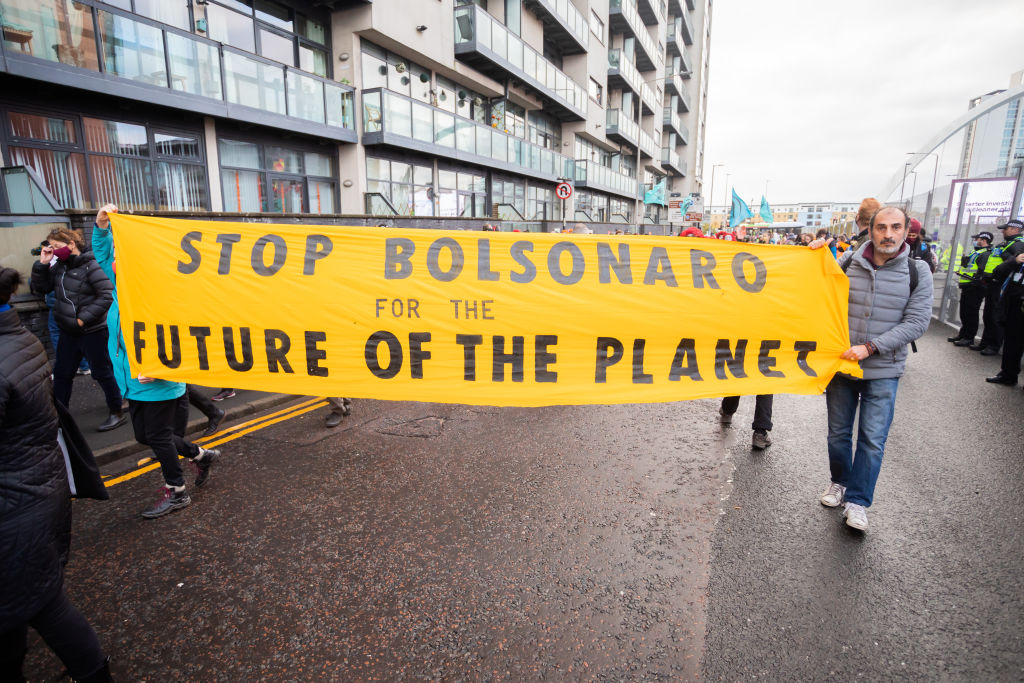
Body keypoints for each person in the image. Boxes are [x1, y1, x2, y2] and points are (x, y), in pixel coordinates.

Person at [0, 268, 111, 682]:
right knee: (33, 605)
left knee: (42, 606)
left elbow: (100, 287)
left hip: (16, 505)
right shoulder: (20, 338)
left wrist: (83, 319)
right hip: (37, 490)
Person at [91, 204, 220, 518]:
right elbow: (104, 255)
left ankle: (176, 492)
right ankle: (200, 456)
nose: (119, 261)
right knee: (143, 436)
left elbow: (181, 334)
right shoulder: (124, 285)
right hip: (132, 379)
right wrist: (102, 226)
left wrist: (161, 366)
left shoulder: (161, 290)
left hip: (157, 378)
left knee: (159, 437)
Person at [810, 206, 932, 531]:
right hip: (842, 366)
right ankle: (839, 482)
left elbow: (917, 322)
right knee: (838, 434)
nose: (888, 234)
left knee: (871, 439)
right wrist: (813, 257)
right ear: (871, 230)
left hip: (883, 370)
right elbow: (818, 290)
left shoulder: (918, 272)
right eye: (881, 227)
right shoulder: (849, 261)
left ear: (906, 231)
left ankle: (858, 502)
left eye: (895, 227)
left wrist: (871, 347)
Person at [29, 228, 126, 432]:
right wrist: (42, 265)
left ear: (71, 245)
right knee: (62, 374)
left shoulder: (91, 266)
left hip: (92, 331)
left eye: (56, 247)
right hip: (68, 332)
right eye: (51, 247)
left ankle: (116, 411)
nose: (53, 250)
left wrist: (82, 319)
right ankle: (58, 416)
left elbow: (106, 295)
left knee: (102, 373)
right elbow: (42, 288)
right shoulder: (58, 267)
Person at [978, 219, 1024, 358]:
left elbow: (1017, 260)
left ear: (1016, 230)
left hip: (1002, 284)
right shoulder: (1005, 243)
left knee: (996, 316)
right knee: (988, 314)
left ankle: (994, 345)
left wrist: (1007, 259)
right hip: (992, 282)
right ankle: (985, 342)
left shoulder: (1018, 244)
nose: (1003, 230)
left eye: (1007, 228)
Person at [949, 231, 994, 346]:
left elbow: (980, 271)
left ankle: (969, 338)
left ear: (984, 240)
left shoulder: (986, 254)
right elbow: (970, 268)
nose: (975, 240)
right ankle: (963, 334)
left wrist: (972, 279)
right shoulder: (976, 252)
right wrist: (962, 272)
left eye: (977, 239)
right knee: (964, 312)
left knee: (971, 313)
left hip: (975, 287)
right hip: (967, 285)